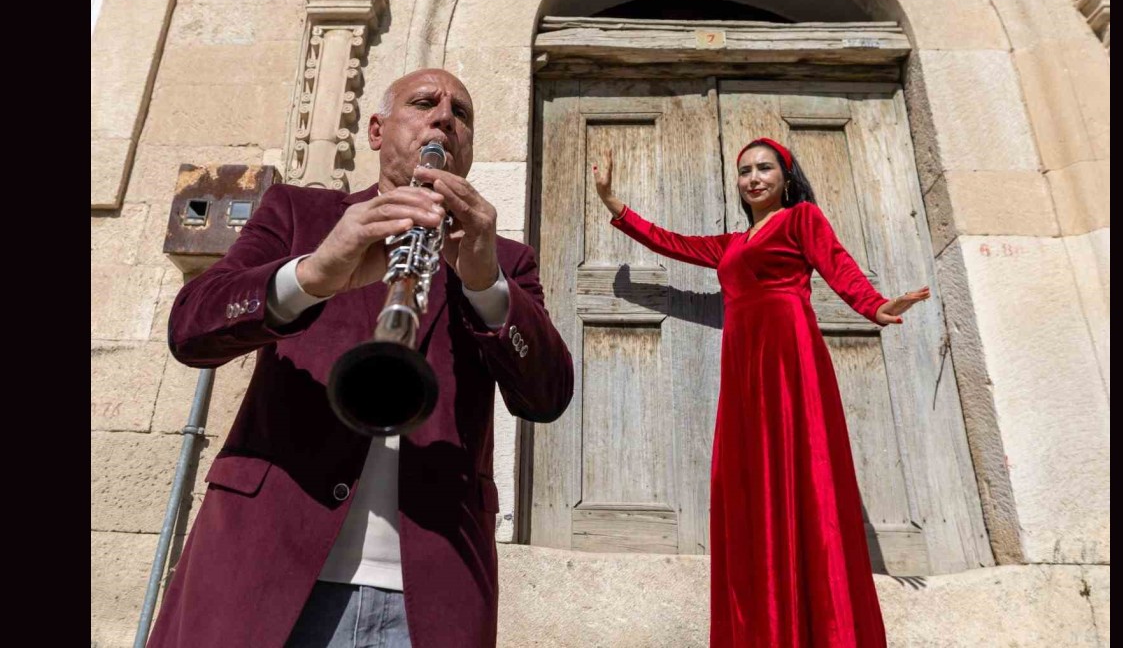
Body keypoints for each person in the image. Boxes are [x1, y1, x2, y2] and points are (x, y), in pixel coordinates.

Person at [149, 69, 574, 648]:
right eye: (424, 103)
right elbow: (190, 328)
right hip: (265, 562)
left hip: (430, 588)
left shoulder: (504, 258)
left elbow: (547, 395)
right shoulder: (299, 214)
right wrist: (315, 273)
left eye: (462, 114)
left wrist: (486, 285)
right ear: (376, 130)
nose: (445, 118)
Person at [593, 138, 929, 647]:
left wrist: (875, 306)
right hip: (744, 363)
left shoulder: (802, 220)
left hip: (789, 351)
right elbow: (671, 242)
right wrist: (613, 202)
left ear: (785, 177)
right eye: (746, 171)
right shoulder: (731, 245)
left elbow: (838, 265)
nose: (754, 178)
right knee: (752, 479)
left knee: (802, 468)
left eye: (765, 168)